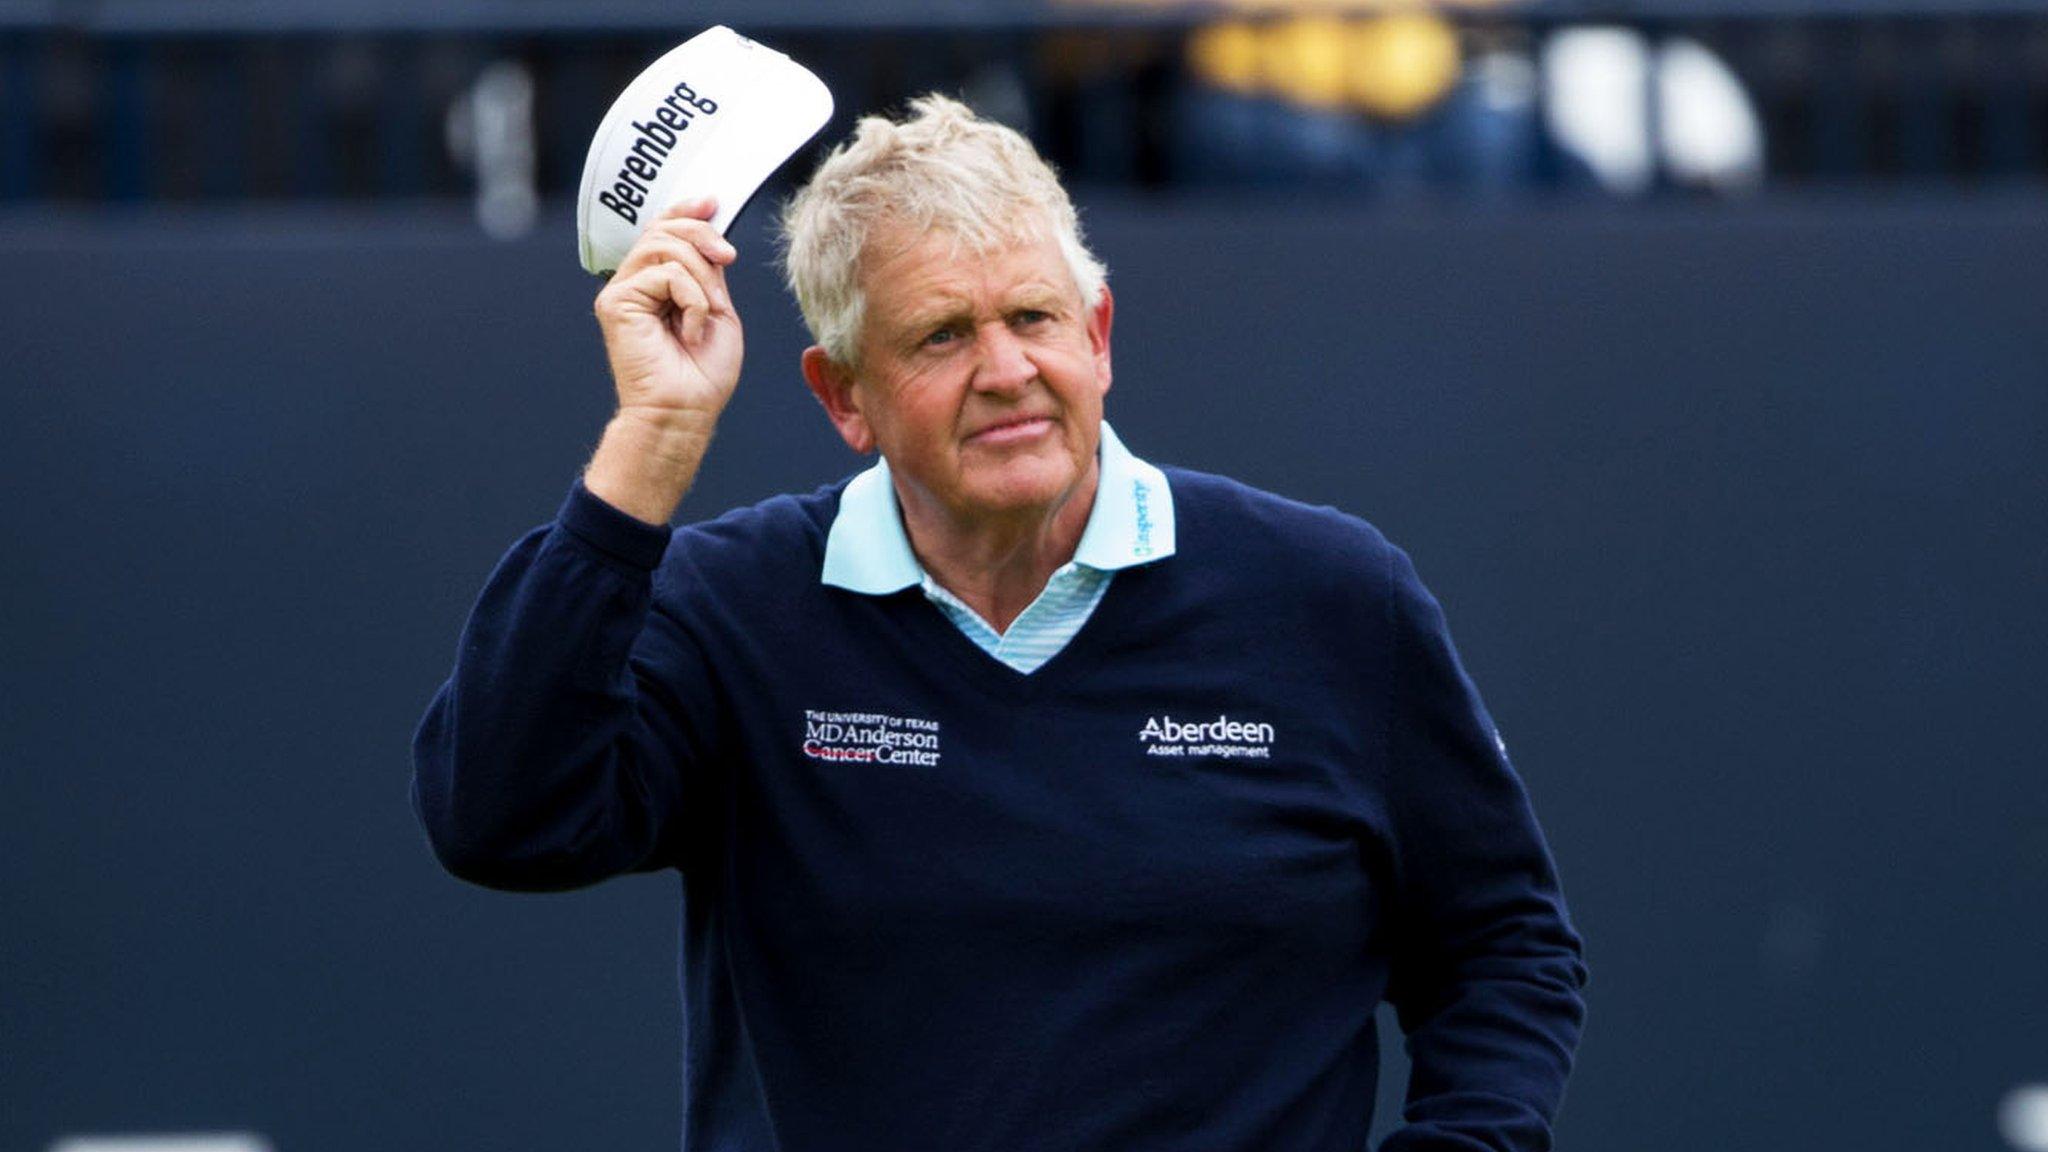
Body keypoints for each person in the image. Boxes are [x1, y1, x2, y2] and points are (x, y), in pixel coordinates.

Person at [413, 94, 1586, 1151]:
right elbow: (503, 819)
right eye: (940, 336)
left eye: (1033, 316)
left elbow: (1502, 948)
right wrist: (654, 440)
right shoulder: (735, 607)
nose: (1006, 368)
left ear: (1100, 338)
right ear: (843, 398)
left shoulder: (1328, 596)